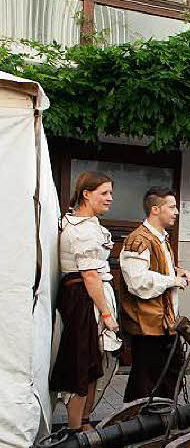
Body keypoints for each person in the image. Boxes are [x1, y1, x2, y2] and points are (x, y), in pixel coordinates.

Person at [51, 172, 120, 431]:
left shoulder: (83, 223)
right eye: (104, 193)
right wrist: (106, 315)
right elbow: (90, 276)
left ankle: (84, 422)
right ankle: (75, 429)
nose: (110, 198)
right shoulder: (82, 229)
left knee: (91, 362)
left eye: (111, 193)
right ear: (86, 194)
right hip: (82, 301)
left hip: (84, 297)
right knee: (82, 362)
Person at [119, 187, 190, 402]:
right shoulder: (138, 240)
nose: (176, 211)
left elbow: (156, 269)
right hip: (148, 325)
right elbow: (137, 281)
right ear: (155, 209)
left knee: (170, 376)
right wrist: (173, 280)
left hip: (165, 323)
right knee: (145, 382)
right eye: (172, 207)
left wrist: (178, 271)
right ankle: (137, 426)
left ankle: (160, 423)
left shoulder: (160, 239)